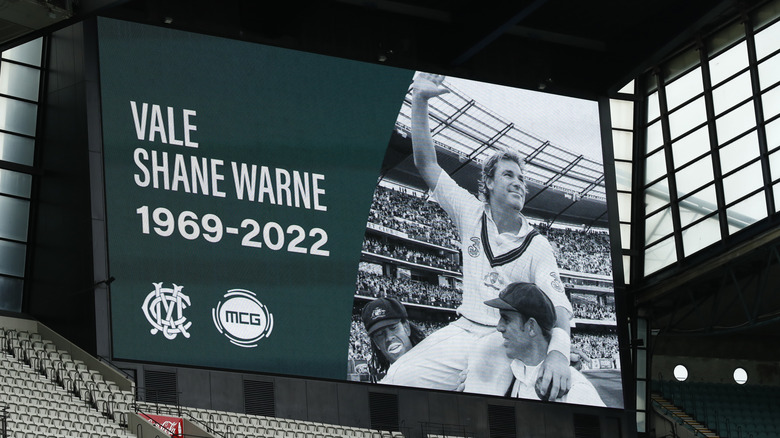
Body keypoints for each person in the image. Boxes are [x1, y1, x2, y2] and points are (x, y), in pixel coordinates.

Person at [381, 73, 573, 398]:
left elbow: (561, 308)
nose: (518, 182)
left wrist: (559, 354)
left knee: (475, 406)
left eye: (522, 178)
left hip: (502, 338)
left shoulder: (536, 245)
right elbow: (426, 163)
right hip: (463, 327)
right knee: (397, 378)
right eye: (508, 175)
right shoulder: (471, 213)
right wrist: (420, 99)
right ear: (488, 184)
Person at [473, 282, 604, 406]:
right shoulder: (513, 375)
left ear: (531, 327)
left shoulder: (577, 390)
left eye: (506, 319)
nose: (499, 327)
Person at [361, 297, 426, 383]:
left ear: (406, 328)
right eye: (380, 334)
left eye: (393, 328)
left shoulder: (437, 362)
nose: (389, 337)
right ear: (376, 343)